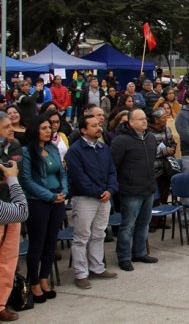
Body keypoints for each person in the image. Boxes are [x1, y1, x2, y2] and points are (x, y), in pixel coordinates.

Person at [65, 114, 119, 288]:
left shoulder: (103, 148)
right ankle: (81, 273)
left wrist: (110, 190)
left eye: (99, 125)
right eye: (94, 125)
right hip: (85, 199)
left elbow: (112, 170)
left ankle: (97, 267)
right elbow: (79, 178)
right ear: (83, 130)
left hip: (104, 198)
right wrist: (98, 192)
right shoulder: (75, 151)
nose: (99, 128)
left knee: (99, 234)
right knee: (81, 237)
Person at [19, 114, 68, 303]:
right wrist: (50, 196)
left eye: (50, 128)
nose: (49, 131)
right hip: (38, 201)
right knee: (37, 243)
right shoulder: (26, 152)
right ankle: (33, 282)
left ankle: (44, 277)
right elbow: (27, 181)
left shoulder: (53, 149)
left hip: (57, 198)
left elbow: (62, 172)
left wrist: (63, 191)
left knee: (51, 241)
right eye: (44, 128)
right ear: (35, 130)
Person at [111, 109, 158, 271]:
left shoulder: (150, 138)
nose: (145, 121)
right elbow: (113, 165)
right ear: (131, 122)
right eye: (140, 119)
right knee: (128, 225)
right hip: (130, 190)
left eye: (145, 118)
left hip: (148, 188)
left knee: (144, 224)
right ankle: (124, 256)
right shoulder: (121, 141)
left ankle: (139, 252)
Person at [0, 113, 27, 322]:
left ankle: (2, 302)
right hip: (6, 209)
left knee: (8, 261)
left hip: (11, 207)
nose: (11, 129)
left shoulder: (13, 146)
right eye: (6, 126)